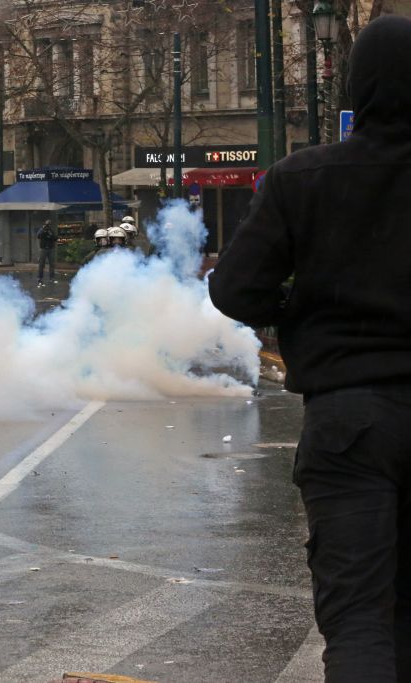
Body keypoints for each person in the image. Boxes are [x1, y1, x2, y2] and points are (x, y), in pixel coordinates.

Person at [208, 16, 411, 682]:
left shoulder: (304, 178)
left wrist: (298, 315)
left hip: (349, 415)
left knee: (358, 619)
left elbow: (235, 288)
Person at [36, 220, 57, 285]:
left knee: (52, 264)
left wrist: (51, 235)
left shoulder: (51, 230)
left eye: (49, 224)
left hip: (50, 249)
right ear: (45, 224)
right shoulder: (42, 229)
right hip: (43, 249)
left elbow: (55, 238)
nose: (48, 226)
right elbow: (38, 236)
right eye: (47, 224)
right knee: (41, 264)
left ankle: (51, 278)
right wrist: (43, 230)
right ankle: (40, 278)